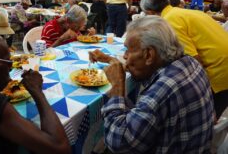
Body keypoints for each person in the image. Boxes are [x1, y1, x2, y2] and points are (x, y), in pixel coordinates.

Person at [89, 16, 214, 153]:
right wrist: (110, 59)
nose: (124, 56)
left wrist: (117, 88)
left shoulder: (163, 90)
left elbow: (118, 143)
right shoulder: (190, 62)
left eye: (128, 50)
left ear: (149, 55)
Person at [140, 0, 228, 118]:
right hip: (223, 65)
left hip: (219, 73)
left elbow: (195, 62)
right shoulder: (185, 12)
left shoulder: (169, 21)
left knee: (204, 118)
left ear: (150, 13)